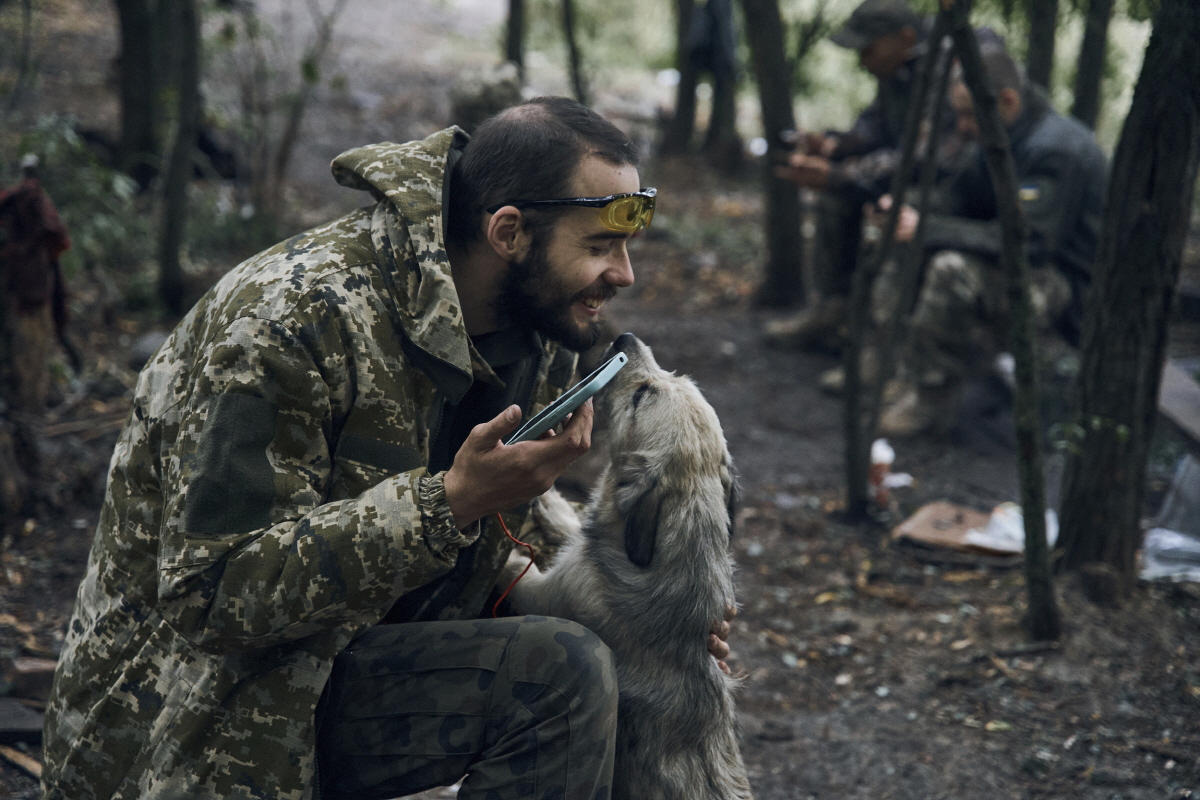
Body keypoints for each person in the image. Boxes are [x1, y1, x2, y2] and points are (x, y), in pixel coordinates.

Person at [42, 98, 733, 800]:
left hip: (353, 668)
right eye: (598, 247)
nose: (624, 275)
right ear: (509, 232)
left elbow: (500, 544)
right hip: (191, 715)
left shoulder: (539, 332)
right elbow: (210, 596)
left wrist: (643, 625)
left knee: (593, 667)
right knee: (562, 672)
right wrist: (447, 504)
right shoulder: (289, 318)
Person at [872, 46, 1108, 437]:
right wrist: (902, 208)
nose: (962, 126)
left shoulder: (1056, 149)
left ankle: (932, 397)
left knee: (951, 270)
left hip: (1067, 288)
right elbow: (956, 198)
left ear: (1007, 100)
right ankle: (904, 369)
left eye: (968, 114)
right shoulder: (998, 136)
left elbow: (1030, 242)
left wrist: (926, 227)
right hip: (1026, 267)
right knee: (908, 238)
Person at [764, 0, 941, 352]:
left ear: (905, 38)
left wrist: (842, 174)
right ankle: (833, 311)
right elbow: (873, 130)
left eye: (869, 48)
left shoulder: (943, 70)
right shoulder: (894, 73)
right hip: (898, 178)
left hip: (942, 190)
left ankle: (882, 344)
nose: (862, 60)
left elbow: (924, 157)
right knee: (835, 200)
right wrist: (833, 145)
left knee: (890, 216)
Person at [0, 153, 71, 415]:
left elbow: (53, 242)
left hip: (32, 291)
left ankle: (29, 411)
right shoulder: (17, 205)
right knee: (24, 352)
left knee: (30, 352)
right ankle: (25, 409)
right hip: (23, 291)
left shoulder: (31, 204)